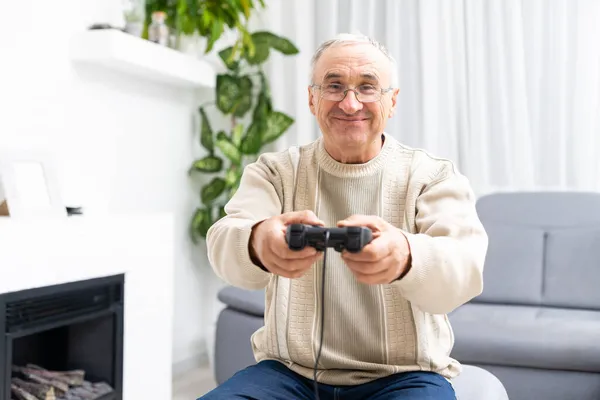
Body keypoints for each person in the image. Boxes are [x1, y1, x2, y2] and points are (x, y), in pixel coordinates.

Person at [201, 33, 488, 400]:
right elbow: (225, 237)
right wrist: (258, 241)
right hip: (288, 374)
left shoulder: (432, 176)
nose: (350, 104)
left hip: (405, 376)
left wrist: (405, 255)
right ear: (312, 98)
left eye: (367, 88)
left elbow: (463, 269)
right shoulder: (274, 172)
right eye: (334, 86)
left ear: (392, 101)